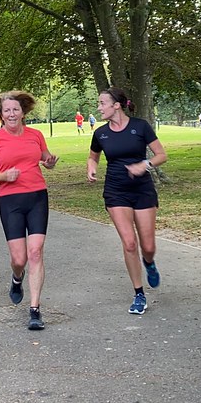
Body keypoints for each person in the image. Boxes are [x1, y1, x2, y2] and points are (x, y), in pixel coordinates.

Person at [0, 91, 58, 331]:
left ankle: (34, 309)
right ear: (0, 115)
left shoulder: (36, 135)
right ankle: (16, 278)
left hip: (37, 197)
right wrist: (2, 175)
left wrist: (50, 162)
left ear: (23, 112)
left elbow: (46, 159)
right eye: (6, 111)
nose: (11, 114)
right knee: (19, 259)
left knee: (35, 253)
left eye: (15, 110)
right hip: (10, 200)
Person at [87, 87, 167, 316]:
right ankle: (139, 294)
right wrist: (91, 168)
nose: (99, 107)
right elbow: (93, 156)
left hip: (142, 190)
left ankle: (149, 263)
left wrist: (145, 165)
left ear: (116, 105)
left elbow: (161, 155)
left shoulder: (140, 127)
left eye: (102, 103)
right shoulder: (100, 133)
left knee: (148, 246)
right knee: (129, 243)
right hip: (115, 191)